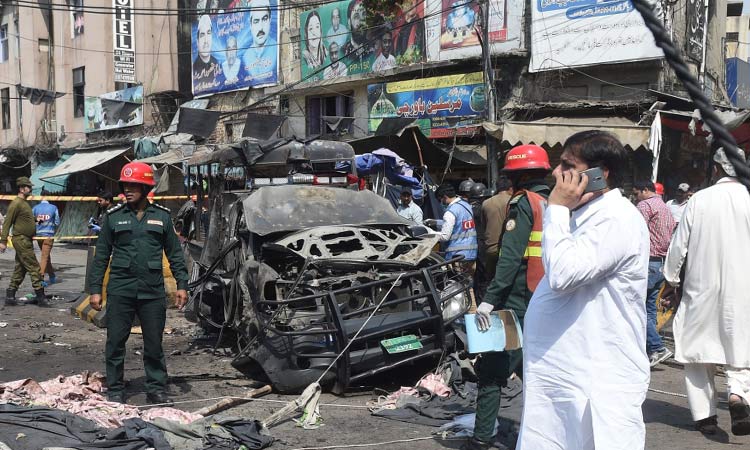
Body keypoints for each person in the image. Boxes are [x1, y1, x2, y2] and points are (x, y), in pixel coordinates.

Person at [516, 131, 650, 450]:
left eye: (567, 165)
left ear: (597, 175)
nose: (556, 174)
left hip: (597, 377)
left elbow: (563, 274)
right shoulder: (585, 215)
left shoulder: (617, 219)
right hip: (567, 373)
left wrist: (558, 209)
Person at [465, 145, 550, 450]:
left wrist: (490, 299)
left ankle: (481, 438)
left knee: (492, 370)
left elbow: (510, 258)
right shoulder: (550, 203)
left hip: (515, 300)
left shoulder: (524, 204)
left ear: (520, 176)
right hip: (542, 299)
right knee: (535, 371)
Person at [663, 147, 750, 436]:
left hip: (701, 289)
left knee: (698, 351)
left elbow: (679, 246)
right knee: (742, 347)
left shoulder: (698, 200)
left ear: (715, 170)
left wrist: (671, 280)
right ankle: (738, 395)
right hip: (744, 290)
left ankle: (705, 416)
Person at [87, 162, 189, 405]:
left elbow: (175, 254)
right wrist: (95, 290)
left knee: (154, 343)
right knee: (115, 342)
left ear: (146, 188)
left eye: (135, 185)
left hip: (152, 291)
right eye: (126, 185)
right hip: (121, 289)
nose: (128, 190)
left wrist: (182, 284)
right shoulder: (113, 218)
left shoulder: (162, 217)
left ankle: (155, 387)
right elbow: (101, 256)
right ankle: (115, 388)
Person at [633, 180, 675, 367]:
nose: (636, 197)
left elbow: (635, 232)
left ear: (645, 190)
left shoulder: (645, 205)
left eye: (637, 193)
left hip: (648, 261)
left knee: (636, 306)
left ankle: (657, 347)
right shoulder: (666, 207)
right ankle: (651, 349)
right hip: (661, 263)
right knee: (650, 309)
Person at [0, 177, 47, 308]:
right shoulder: (16, 203)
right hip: (21, 239)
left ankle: (10, 295)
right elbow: (7, 222)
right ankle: (41, 298)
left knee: (20, 269)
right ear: (22, 188)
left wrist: (36, 220)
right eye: (29, 187)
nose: (31, 189)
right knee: (34, 267)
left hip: (25, 239)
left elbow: (27, 218)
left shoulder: (25, 203)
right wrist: (3, 241)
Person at [426, 184, 476, 275]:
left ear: (444, 197)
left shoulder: (450, 212)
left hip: (457, 257)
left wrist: (429, 233)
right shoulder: (466, 206)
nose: (440, 203)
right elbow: (458, 223)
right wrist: (436, 222)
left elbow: (445, 237)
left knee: (458, 286)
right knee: (469, 283)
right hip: (471, 254)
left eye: (439, 200)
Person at [475, 176, 513, 300]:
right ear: (510, 188)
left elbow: (483, 225)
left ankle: (491, 305)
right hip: (508, 250)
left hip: (490, 249)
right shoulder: (514, 201)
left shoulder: (486, 203)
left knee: (491, 280)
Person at [244, 0, 277, 84]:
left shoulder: (276, 48)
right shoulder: (245, 56)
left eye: (264, 19)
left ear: (270, 20)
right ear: (250, 24)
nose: (261, 28)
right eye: (256, 21)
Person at [32, 196, 60, 286]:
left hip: (39, 235)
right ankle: (41, 278)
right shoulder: (53, 208)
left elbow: (33, 221)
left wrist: (40, 222)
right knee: (45, 256)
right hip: (49, 235)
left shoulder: (35, 208)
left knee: (46, 256)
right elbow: (57, 222)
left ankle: (52, 275)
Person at [193, 15, 222, 91]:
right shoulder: (194, 69)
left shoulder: (217, 63)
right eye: (202, 35)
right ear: (197, 42)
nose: (206, 40)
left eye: (208, 33)